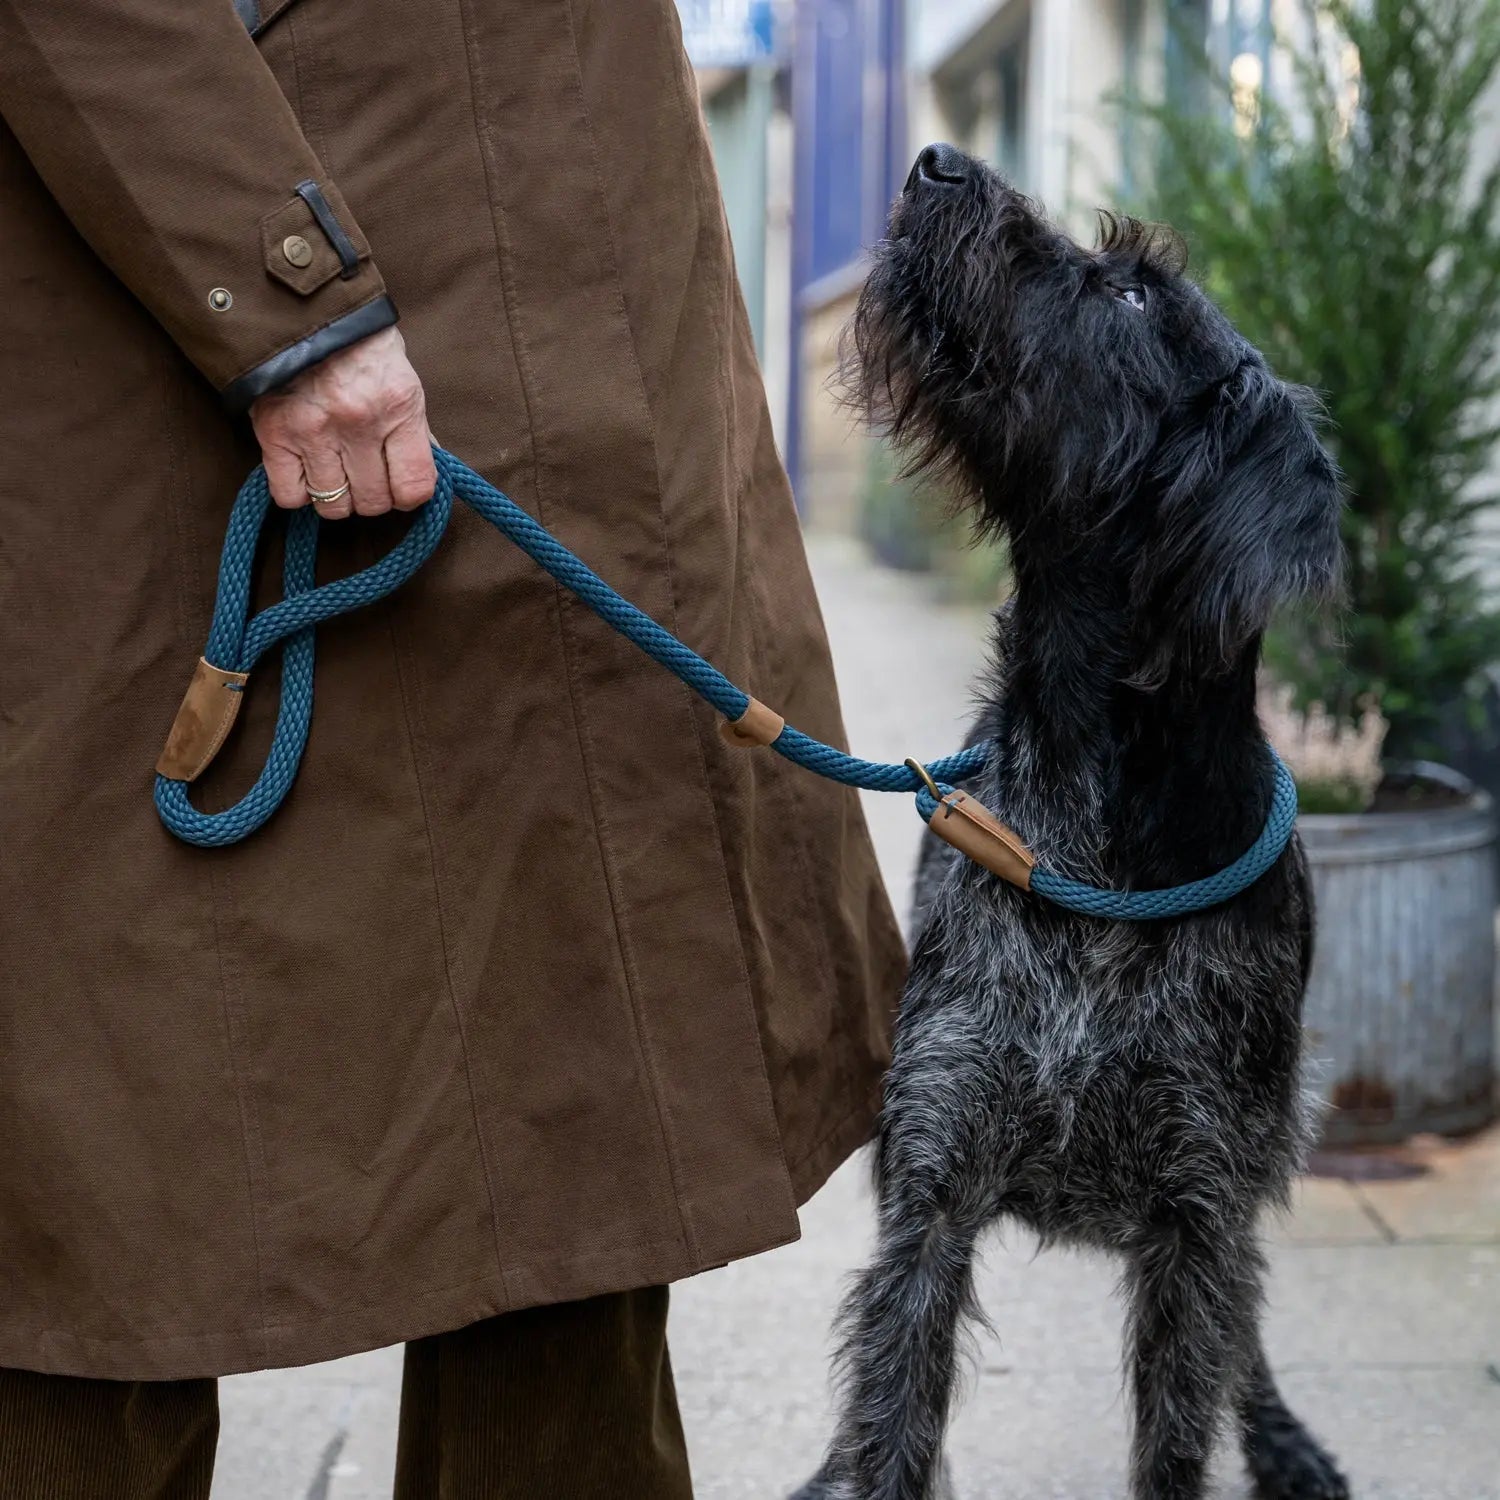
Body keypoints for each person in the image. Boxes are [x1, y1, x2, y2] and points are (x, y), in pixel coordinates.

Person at [0, 2, 905, 1495]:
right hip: (220, 346)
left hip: (577, 388)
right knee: (103, 1212)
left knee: (580, 1165)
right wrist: (283, 287)